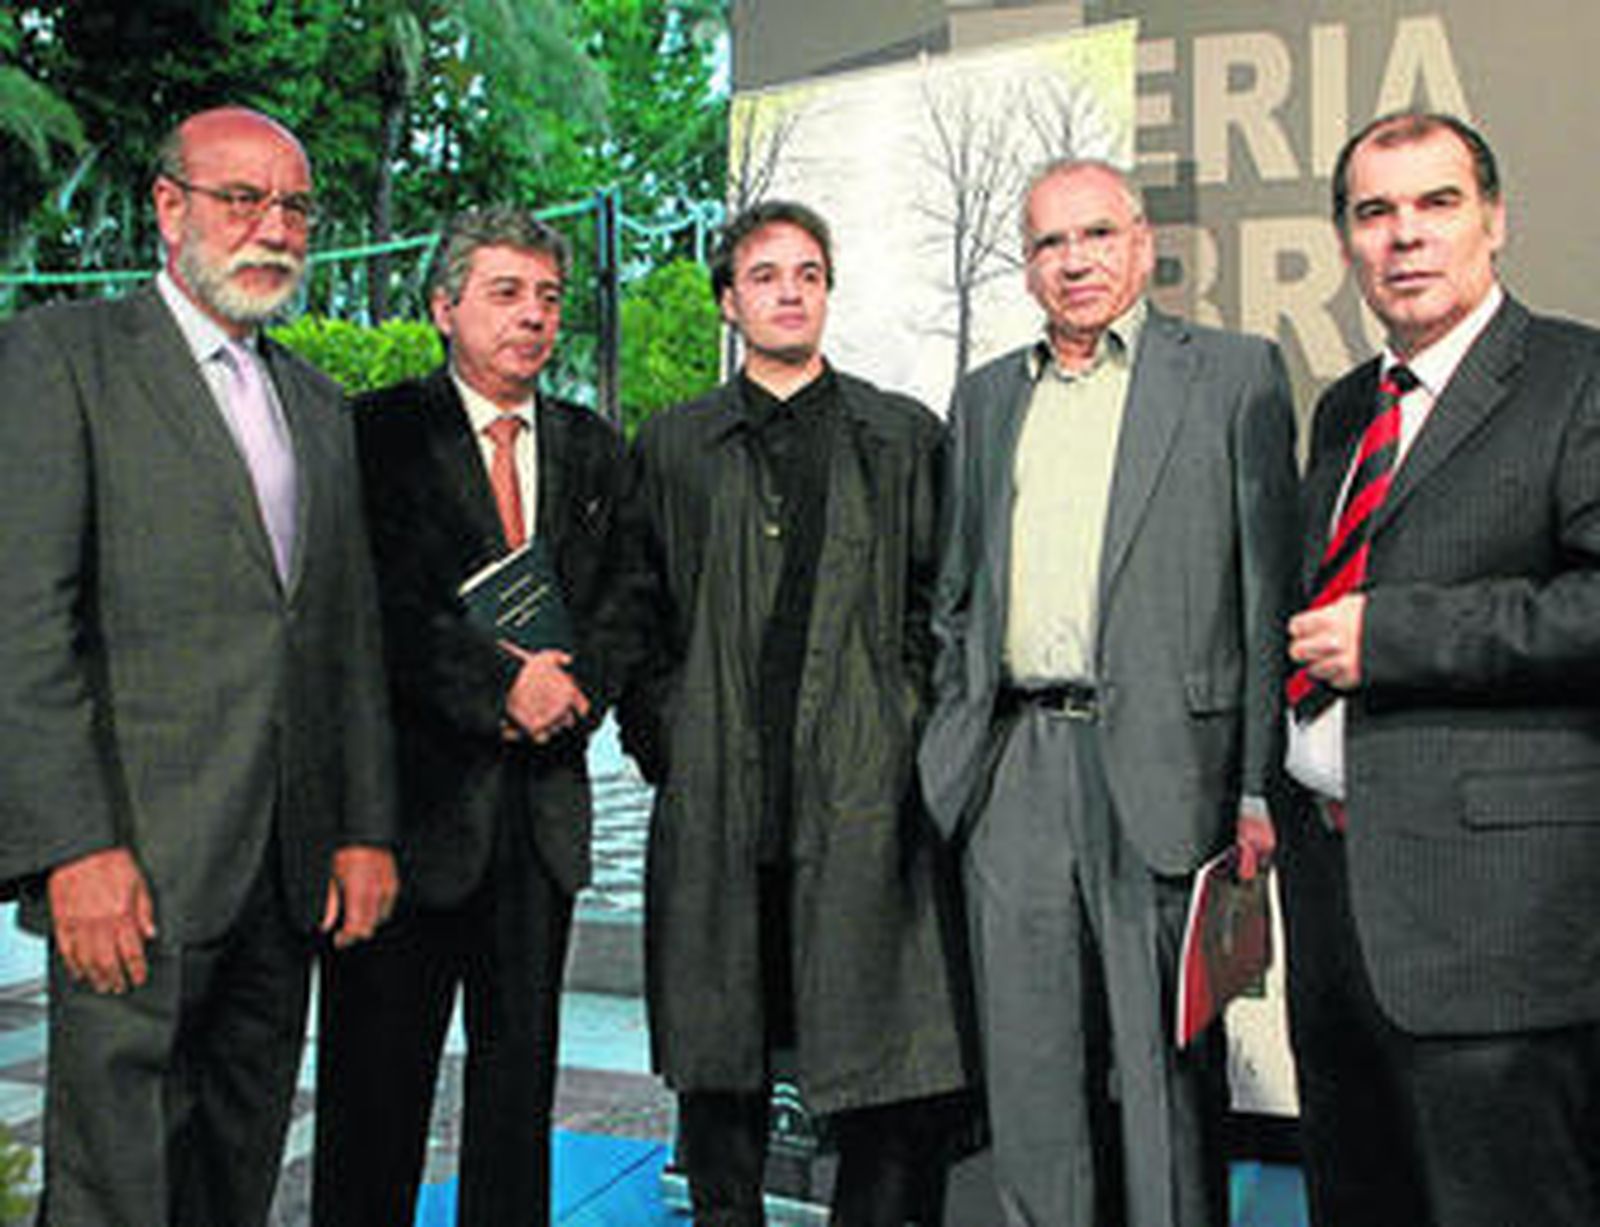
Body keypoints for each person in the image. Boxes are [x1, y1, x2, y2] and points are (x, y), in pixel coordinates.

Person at [0, 106, 398, 1227]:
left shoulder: (316, 402)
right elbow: (23, 624)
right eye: (242, 200)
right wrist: (71, 848)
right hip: (133, 868)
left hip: (284, 876)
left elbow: (342, 638)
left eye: (294, 208)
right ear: (169, 208)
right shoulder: (62, 359)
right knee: (115, 1189)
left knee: (237, 1167)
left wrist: (362, 826)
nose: (273, 229)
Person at [918, 157, 1299, 1227]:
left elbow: (1268, 597)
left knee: (1164, 1079)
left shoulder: (1233, 375)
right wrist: (958, 751)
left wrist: (1256, 787)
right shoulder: (988, 395)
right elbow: (955, 589)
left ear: (1141, 244)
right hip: (1015, 772)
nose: (1074, 260)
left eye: (1095, 235)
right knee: (1030, 1075)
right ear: (1027, 267)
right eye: (1049, 243)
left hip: (1170, 776)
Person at [601, 200, 967, 1226]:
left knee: (884, 1064)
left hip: (864, 797)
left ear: (828, 291)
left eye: (807, 272)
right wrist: (668, 736)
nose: (789, 291)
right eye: (765, 275)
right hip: (721, 800)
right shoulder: (674, 444)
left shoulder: (898, 435)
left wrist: (899, 725)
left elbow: (938, 605)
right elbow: (640, 611)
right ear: (730, 300)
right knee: (721, 1066)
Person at [1281, 109, 1600, 1227]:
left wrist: (1396, 639)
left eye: (1436, 203)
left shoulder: (1576, 378)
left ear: (1495, 222)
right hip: (1337, 919)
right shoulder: (1343, 408)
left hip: (1494, 931)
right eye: (1374, 212)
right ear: (1345, 242)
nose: (1404, 236)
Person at [312, 205, 622, 1227]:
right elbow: (365, 610)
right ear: (444, 306)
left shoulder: (589, 447)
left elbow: (631, 602)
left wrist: (574, 688)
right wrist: (498, 691)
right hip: (400, 830)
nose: (531, 318)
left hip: (539, 830)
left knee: (516, 1102)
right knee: (373, 1103)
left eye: (546, 298)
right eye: (504, 293)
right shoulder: (373, 435)